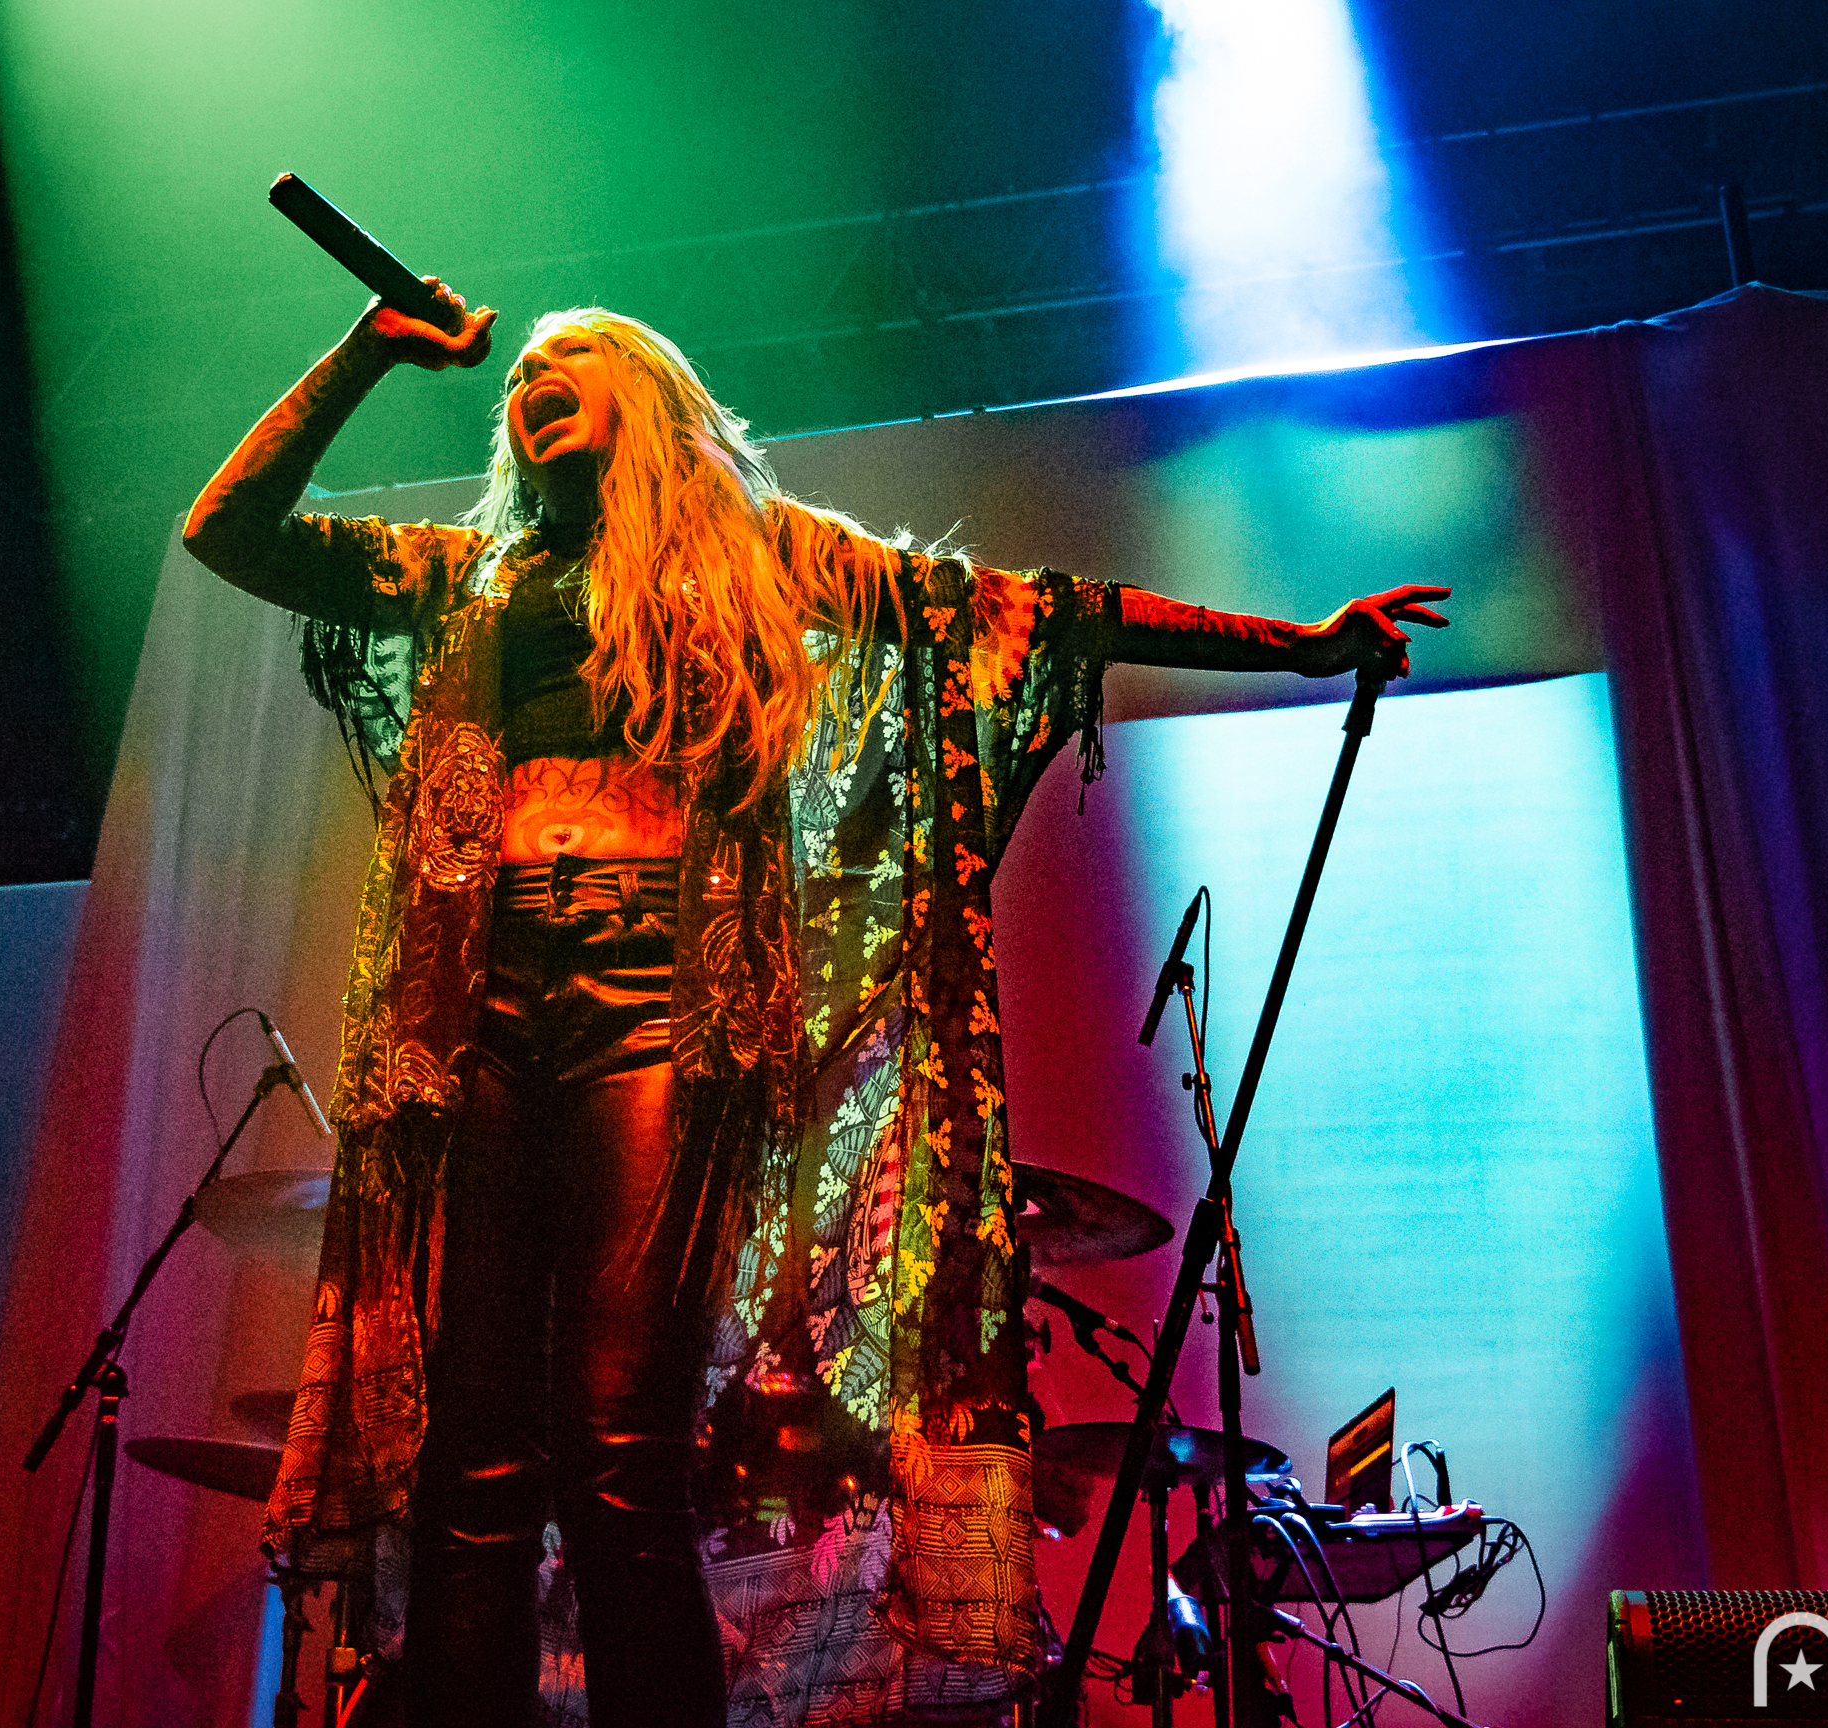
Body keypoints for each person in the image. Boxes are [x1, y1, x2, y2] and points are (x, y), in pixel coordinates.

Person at [183, 281, 1447, 1728]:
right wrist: (367, 349)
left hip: (656, 1016)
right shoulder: (465, 574)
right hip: (481, 1015)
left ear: (647, 401)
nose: (533, 377)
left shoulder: (757, 557)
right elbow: (230, 531)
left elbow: (1027, 611)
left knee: (616, 1453)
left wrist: (1295, 641)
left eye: (569, 358)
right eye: (519, 373)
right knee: (472, 1467)